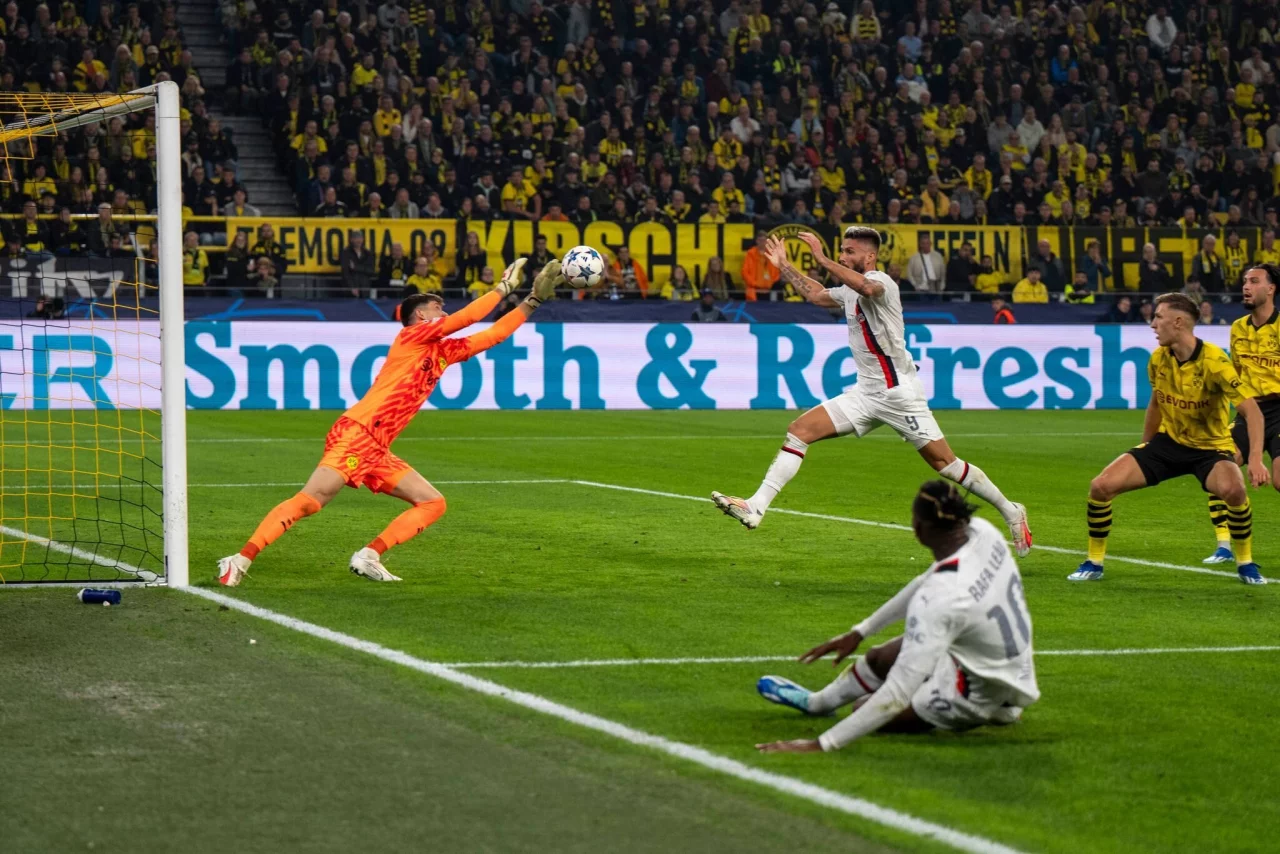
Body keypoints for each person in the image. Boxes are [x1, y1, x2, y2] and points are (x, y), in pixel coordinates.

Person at [217, 260, 566, 586]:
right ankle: (239, 560)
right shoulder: (411, 337)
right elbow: (466, 318)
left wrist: (533, 301)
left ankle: (369, 555)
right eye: (438, 307)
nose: (444, 313)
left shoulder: (440, 353)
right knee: (311, 500)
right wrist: (503, 288)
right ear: (420, 315)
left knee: (433, 503)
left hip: (377, 446)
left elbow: (493, 335)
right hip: (359, 432)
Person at [712, 227, 1032, 555]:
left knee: (945, 464)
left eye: (849, 251)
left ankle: (1011, 510)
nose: (842, 256)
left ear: (869, 256)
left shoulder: (883, 282)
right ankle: (756, 506)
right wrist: (784, 265)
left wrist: (821, 258)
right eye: (841, 250)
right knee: (799, 431)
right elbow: (817, 295)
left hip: (899, 394)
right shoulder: (848, 290)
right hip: (865, 394)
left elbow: (867, 287)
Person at [754, 480, 1039, 753]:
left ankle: (998, 711)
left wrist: (822, 743)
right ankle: (817, 703)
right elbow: (927, 580)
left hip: (977, 694)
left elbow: (897, 693)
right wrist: (861, 631)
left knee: (864, 709)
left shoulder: (942, 597)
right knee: (879, 657)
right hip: (1010, 666)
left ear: (919, 528)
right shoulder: (984, 534)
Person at [1071, 293, 1269, 585]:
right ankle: (1094, 562)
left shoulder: (1215, 362)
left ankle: (1245, 563)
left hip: (1210, 450)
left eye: (1158, 317)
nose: (1152, 324)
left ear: (1178, 322)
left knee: (1235, 491)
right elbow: (1156, 404)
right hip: (1168, 444)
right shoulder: (1158, 358)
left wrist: (1255, 461)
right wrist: (1144, 448)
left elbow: (1253, 413)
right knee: (1100, 487)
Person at [1202, 266, 1280, 567]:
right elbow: (1235, 374)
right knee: (1219, 464)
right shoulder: (1238, 328)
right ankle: (1224, 545)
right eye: (1245, 281)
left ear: (1271, 289)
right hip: (1249, 410)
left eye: (1254, 281)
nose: (1246, 286)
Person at [741, 232, 779, 300]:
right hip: (754, 290)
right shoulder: (750, 254)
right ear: (756, 241)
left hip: (770, 290)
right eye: (760, 240)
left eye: (764, 240)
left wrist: (771, 284)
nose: (762, 242)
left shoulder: (772, 254)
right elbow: (745, 272)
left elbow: (777, 272)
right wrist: (754, 284)